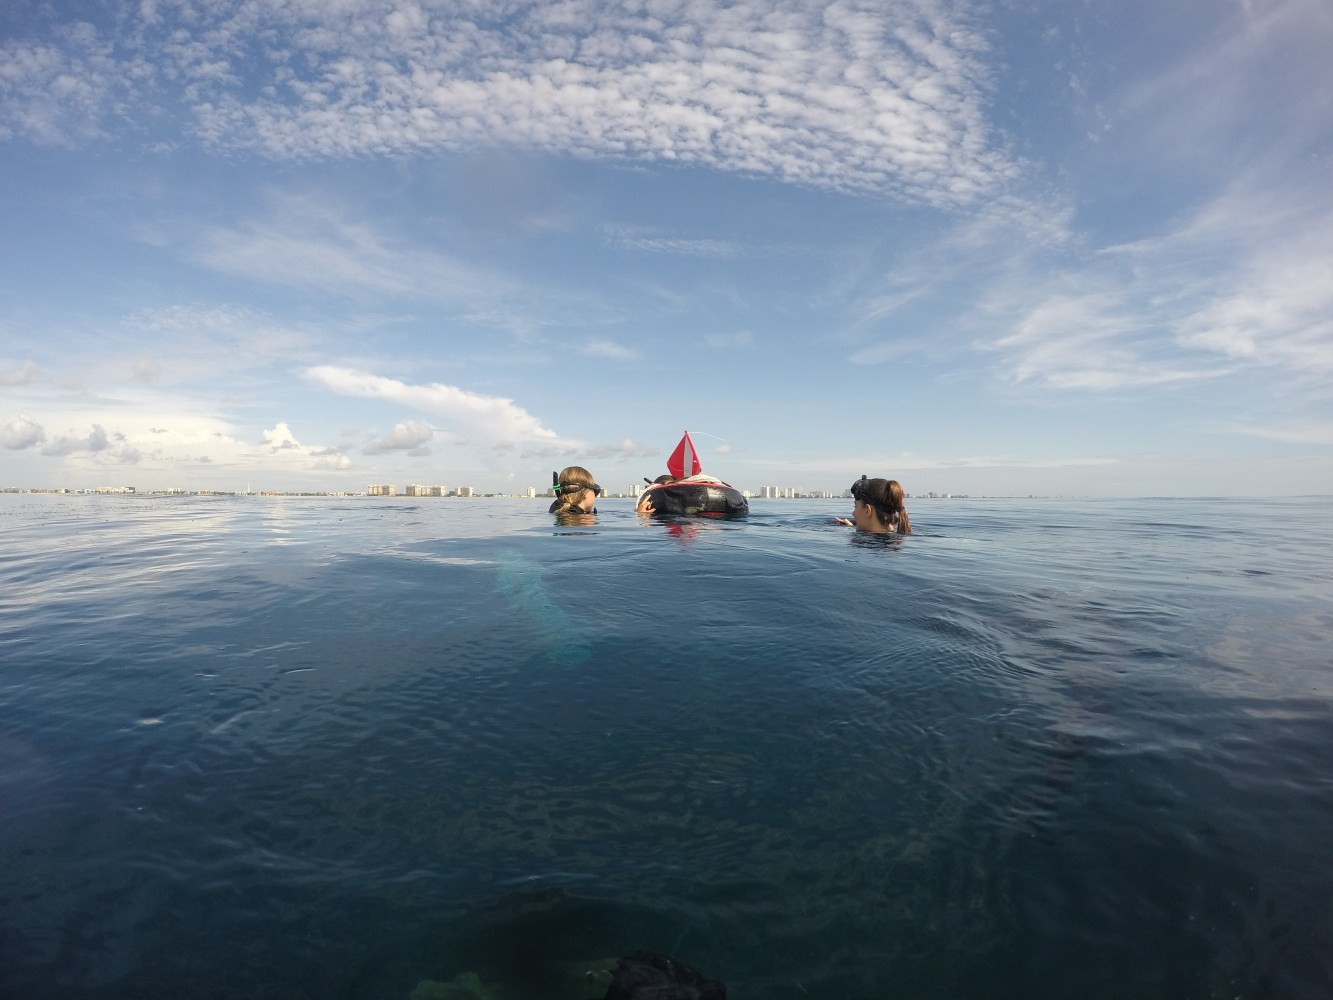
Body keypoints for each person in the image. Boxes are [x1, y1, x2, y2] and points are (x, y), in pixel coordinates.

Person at [835, 475, 912, 534]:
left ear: (868, 510)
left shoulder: (864, 548)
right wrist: (852, 526)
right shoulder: (897, 541)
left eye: (855, 507)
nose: (853, 513)